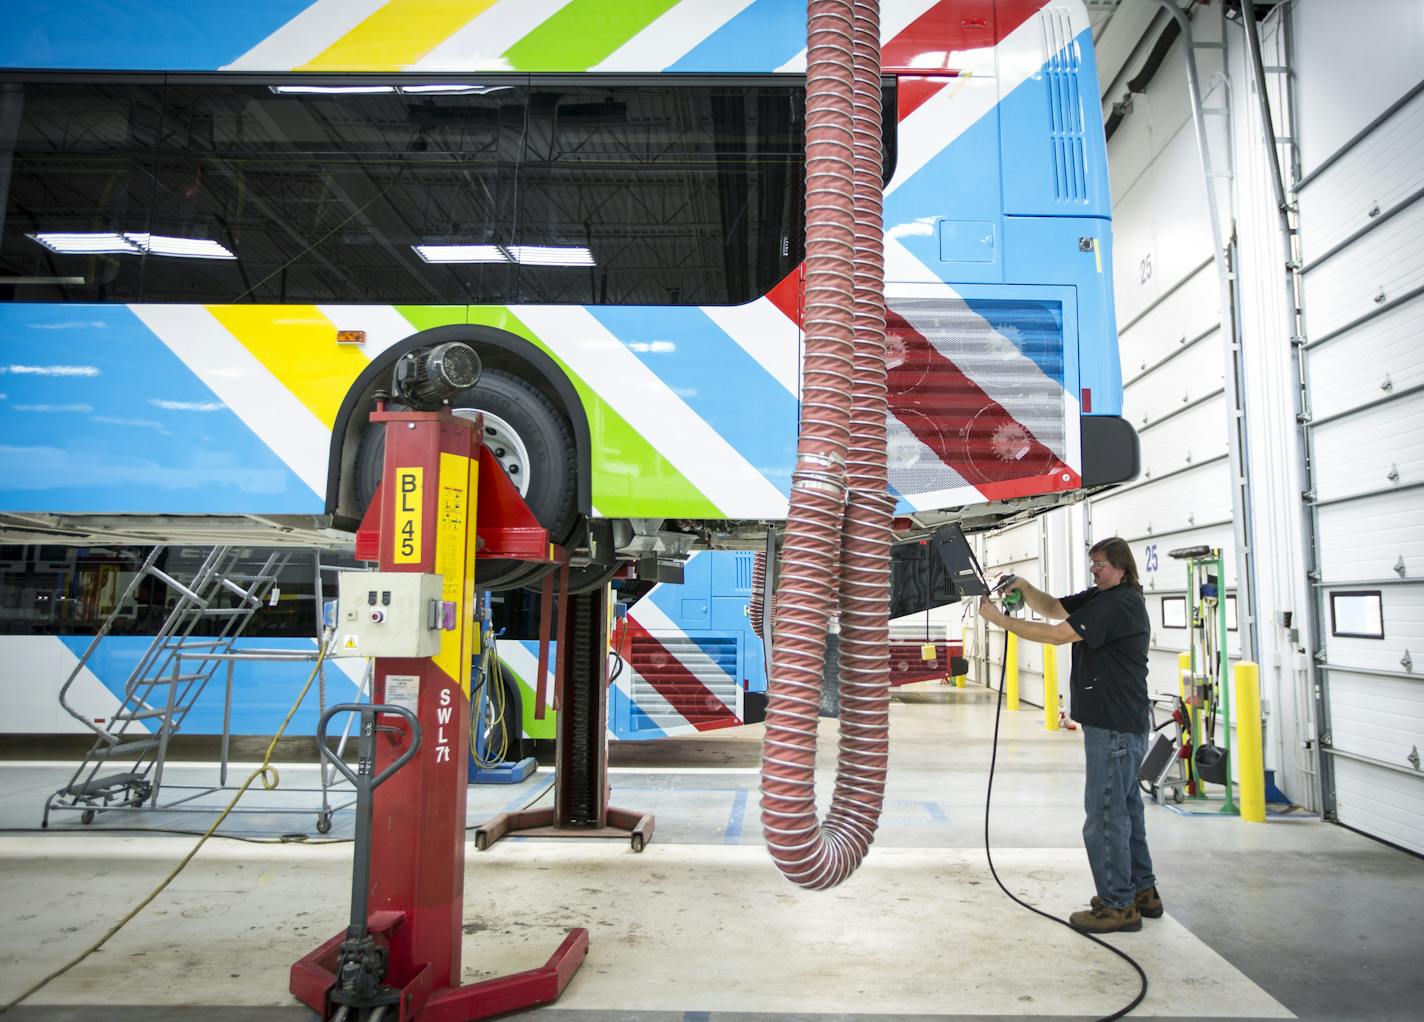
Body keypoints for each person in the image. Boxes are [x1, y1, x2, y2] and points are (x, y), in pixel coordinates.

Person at [977, 537, 1160, 934]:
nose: (1094, 570)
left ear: (1122, 568)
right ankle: (1140, 891)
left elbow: (1058, 633)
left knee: (1105, 815)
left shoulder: (1118, 604)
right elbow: (1055, 608)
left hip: (1114, 726)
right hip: (1120, 723)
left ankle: (1117, 905)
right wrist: (1024, 587)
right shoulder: (1103, 597)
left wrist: (1001, 620)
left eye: (1101, 565)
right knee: (1126, 810)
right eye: (1092, 563)